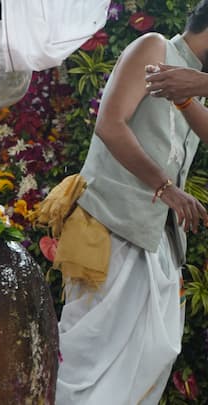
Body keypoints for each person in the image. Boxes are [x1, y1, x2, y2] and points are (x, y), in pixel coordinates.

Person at [48, 2, 208, 403]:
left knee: (153, 353)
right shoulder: (154, 47)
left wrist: (192, 97)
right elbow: (110, 124)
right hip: (112, 221)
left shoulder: (192, 84)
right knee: (88, 356)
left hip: (157, 237)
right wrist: (165, 187)